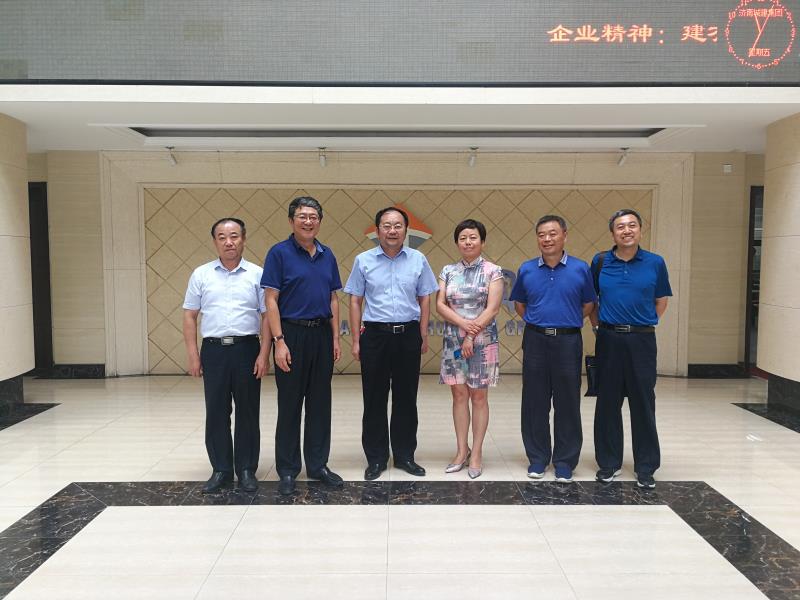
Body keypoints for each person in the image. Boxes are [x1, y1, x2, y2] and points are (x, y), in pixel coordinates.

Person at [345, 207, 439, 481]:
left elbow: (425, 298)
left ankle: (405, 455)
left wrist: (422, 334)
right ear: (377, 231)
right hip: (375, 335)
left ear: (406, 230)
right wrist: (356, 339)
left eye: (398, 225)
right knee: (374, 398)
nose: (392, 230)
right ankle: (376, 458)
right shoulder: (363, 260)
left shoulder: (418, 259)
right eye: (387, 225)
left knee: (406, 398)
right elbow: (355, 300)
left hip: (408, 334)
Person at [261, 196, 343, 496]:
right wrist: (279, 341)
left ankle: (318, 465)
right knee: (290, 405)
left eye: (313, 217)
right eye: (302, 216)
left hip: (321, 335)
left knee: (320, 404)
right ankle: (287, 469)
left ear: (319, 221)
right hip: (291, 335)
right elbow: (271, 300)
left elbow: (333, 298)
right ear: (291, 220)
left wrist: (335, 337)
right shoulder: (279, 253)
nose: (308, 221)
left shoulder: (327, 254)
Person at [182, 217, 270, 494]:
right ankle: (221, 469)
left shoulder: (258, 274)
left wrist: (264, 354)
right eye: (222, 237)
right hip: (214, 351)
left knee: (248, 411)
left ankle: (246, 469)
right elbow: (189, 316)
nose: (229, 242)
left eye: (234, 236)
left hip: (247, 349)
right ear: (215, 242)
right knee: (217, 411)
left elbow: (267, 316)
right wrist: (193, 355)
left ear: (243, 239)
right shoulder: (201, 274)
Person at [510, 215, 596, 484]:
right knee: (534, 401)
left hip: (568, 341)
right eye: (541, 234)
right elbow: (520, 304)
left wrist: (566, 321)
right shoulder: (526, 269)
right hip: (535, 340)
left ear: (564, 236)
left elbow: (589, 304)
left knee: (567, 401)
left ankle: (565, 461)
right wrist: (538, 322)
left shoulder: (581, 268)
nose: (547, 239)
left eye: (552, 233)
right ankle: (537, 458)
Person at [590, 209, 672, 489]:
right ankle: (609, 463)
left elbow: (661, 300)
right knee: (607, 402)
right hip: (608, 339)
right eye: (620, 227)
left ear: (640, 229)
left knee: (643, 403)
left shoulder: (655, 262)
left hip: (642, 341)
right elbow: (591, 301)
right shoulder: (601, 261)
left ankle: (646, 466)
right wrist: (598, 327)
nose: (626, 231)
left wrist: (642, 323)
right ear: (613, 233)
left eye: (632, 225)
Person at [436, 219, 504, 479]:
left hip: (482, 342)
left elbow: (492, 308)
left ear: (482, 241)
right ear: (457, 242)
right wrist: (463, 326)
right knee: (459, 395)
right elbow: (440, 304)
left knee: (479, 397)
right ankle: (461, 451)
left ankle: (476, 453)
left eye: (473, 237)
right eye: (463, 238)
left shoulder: (493, 271)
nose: (468, 242)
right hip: (454, 340)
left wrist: (470, 334)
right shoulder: (448, 271)